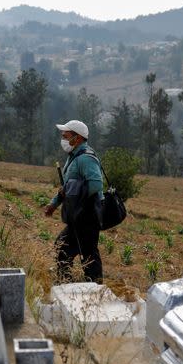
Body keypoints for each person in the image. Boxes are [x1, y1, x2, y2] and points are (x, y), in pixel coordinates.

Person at [44, 120, 104, 283]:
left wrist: (77, 199)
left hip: (88, 214)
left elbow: (96, 184)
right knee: (64, 248)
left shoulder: (86, 158)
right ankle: (66, 283)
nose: (63, 138)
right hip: (79, 215)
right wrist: (54, 203)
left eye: (66, 135)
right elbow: (67, 187)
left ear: (77, 138)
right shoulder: (73, 157)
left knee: (87, 253)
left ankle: (95, 288)